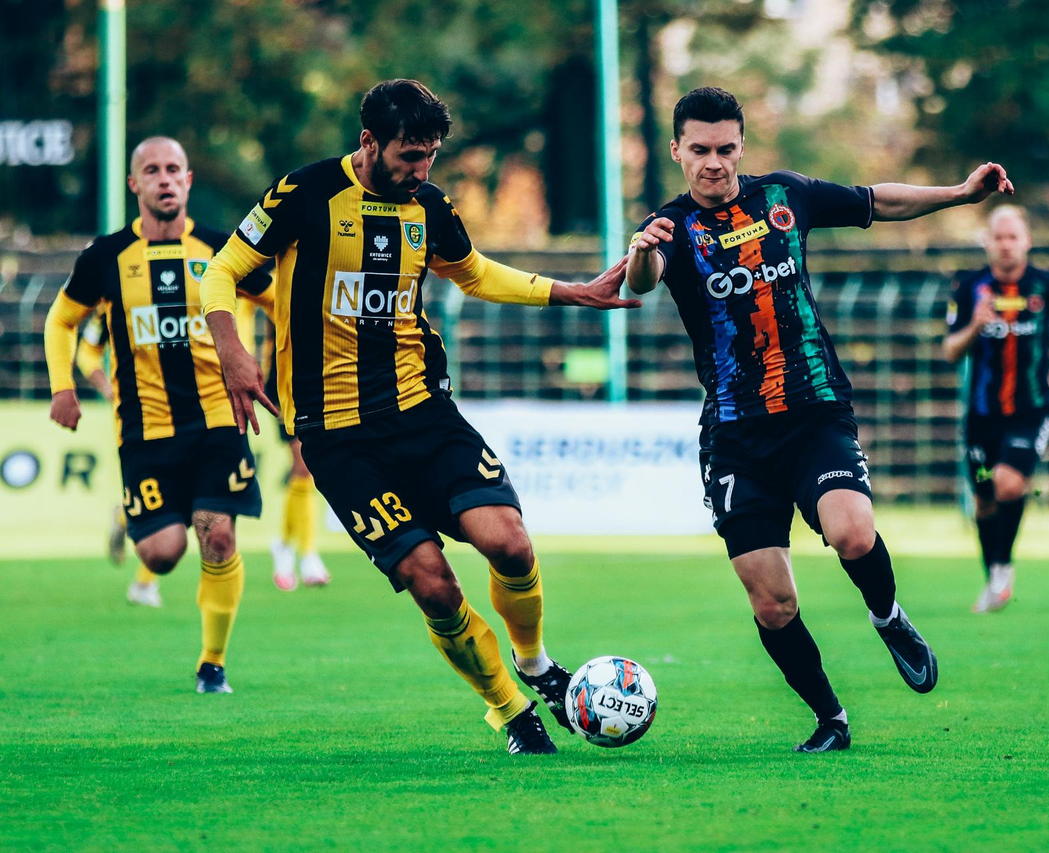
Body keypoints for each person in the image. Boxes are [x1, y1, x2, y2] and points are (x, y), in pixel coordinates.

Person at [199, 79, 638, 755]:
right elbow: (222, 270)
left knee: (511, 543)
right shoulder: (305, 192)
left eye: (430, 154)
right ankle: (511, 708)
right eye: (409, 155)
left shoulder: (428, 205)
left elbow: (474, 273)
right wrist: (231, 351)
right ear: (369, 141)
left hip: (423, 413)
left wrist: (570, 292)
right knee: (432, 582)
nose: (421, 169)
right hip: (338, 436)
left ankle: (534, 662)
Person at [627, 86, 1013, 752]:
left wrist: (958, 194)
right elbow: (642, 278)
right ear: (676, 151)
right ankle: (830, 717)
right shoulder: (669, 226)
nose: (714, 162)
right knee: (772, 602)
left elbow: (875, 201)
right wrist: (640, 250)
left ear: (741, 147)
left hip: (814, 411)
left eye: (725, 148)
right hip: (735, 435)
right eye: (700, 150)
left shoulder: (784, 195)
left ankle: (887, 616)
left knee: (853, 533)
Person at [45, 136, 274, 692]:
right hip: (145, 429)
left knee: (217, 536)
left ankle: (212, 664)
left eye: (174, 169)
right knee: (163, 553)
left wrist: (286, 368)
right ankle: (133, 521)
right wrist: (63, 387)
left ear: (188, 181)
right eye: (152, 170)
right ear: (135, 184)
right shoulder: (106, 256)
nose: (165, 178)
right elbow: (61, 320)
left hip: (219, 418)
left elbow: (279, 299)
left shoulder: (222, 250)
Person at [942, 205, 1049, 612]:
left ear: (1026, 241)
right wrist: (975, 326)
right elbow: (950, 350)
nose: (1006, 245)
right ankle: (995, 576)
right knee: (984, 500)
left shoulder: (1044, 284)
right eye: (998, 237)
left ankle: (1002, 569)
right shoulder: (968, 288)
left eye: (1013, 237)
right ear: (987, 242)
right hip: (982, 418)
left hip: (1031, 411)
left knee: (1009, 483)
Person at [73, 306, 165, 605]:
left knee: (172, 495)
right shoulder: (111, 302)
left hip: (188, 409)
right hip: (135, 414)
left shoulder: (189, 291)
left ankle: (124, 516)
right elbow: (86, 353)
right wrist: (107, 388)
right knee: (161, 495)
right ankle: (144, 583)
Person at [258, 315, 330, 591]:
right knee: (303, 464)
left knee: (305, 470)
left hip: (319, 381)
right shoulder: (279, 290)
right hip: (286, 384)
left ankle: (284, 545)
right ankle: (308, 553)